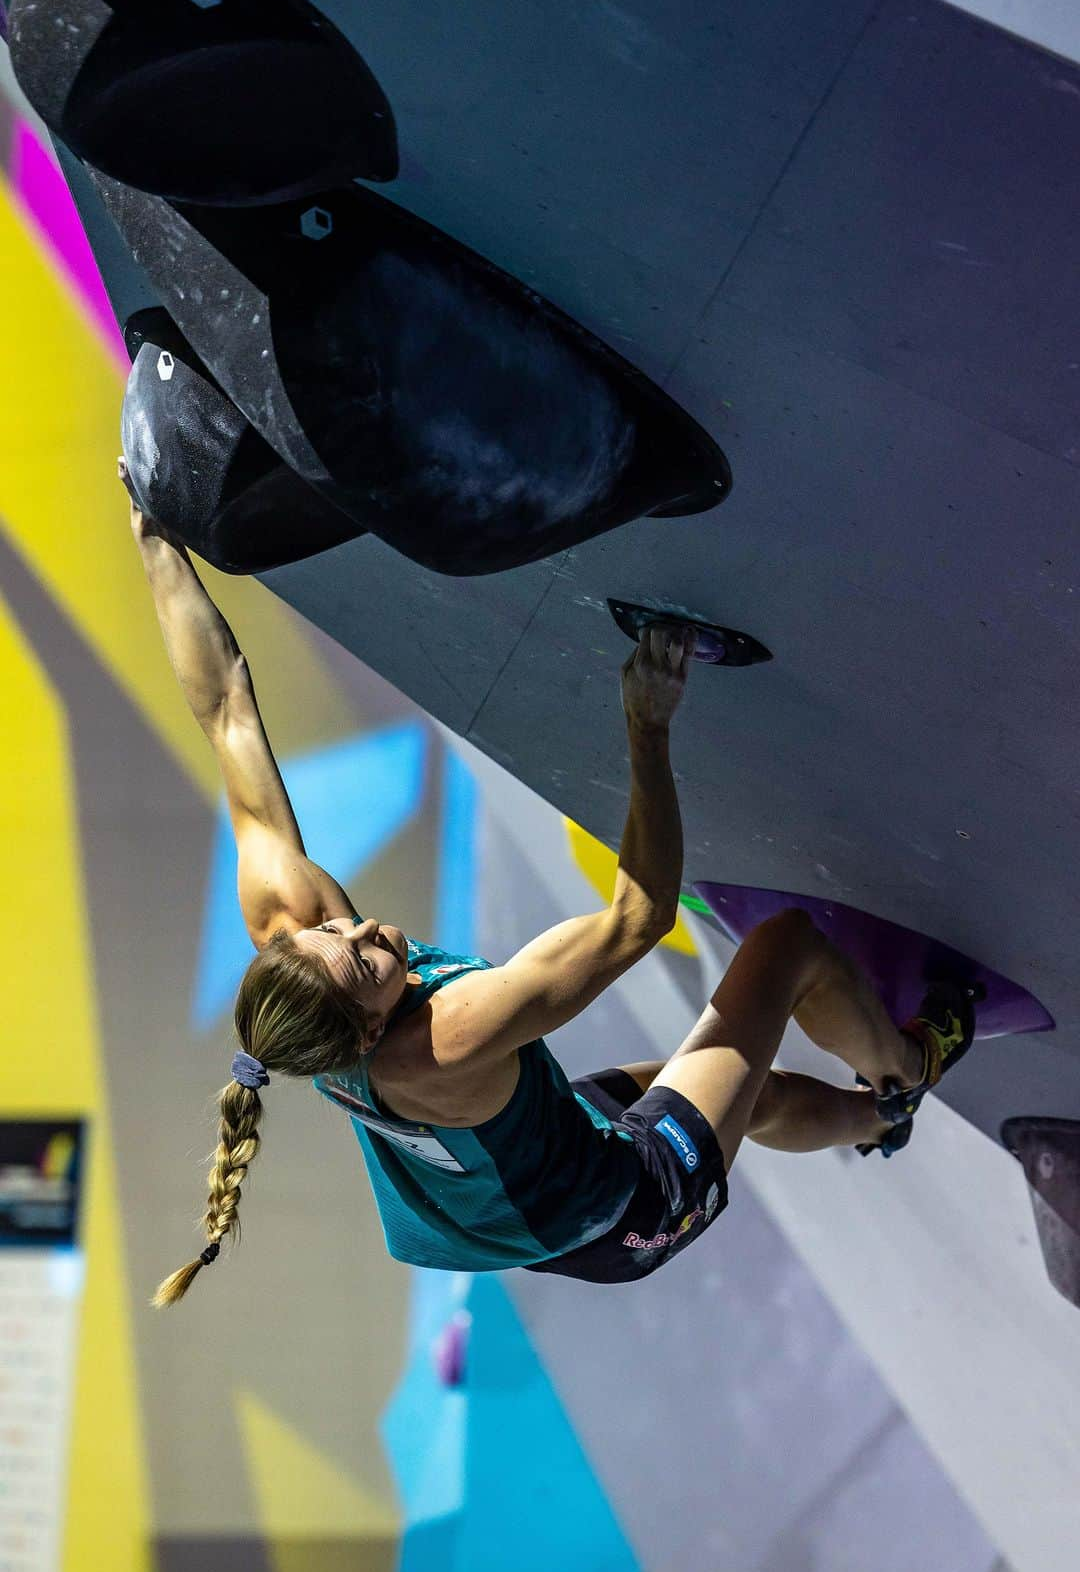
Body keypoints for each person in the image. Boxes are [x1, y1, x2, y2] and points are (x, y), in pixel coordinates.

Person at [120, 461, 979, 1307]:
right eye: (369, 967)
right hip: (623, 1205)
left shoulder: (300, 957)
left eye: (335, 934)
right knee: (784, 951)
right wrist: (647, 727)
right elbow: (634, 920)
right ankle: (908, 1067)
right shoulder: (449, 1036)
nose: (368, 931)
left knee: (754, 1094)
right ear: (367, 1034)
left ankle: (878, 1123)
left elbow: (226, 710)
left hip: (531, 1186)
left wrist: (156, 537)